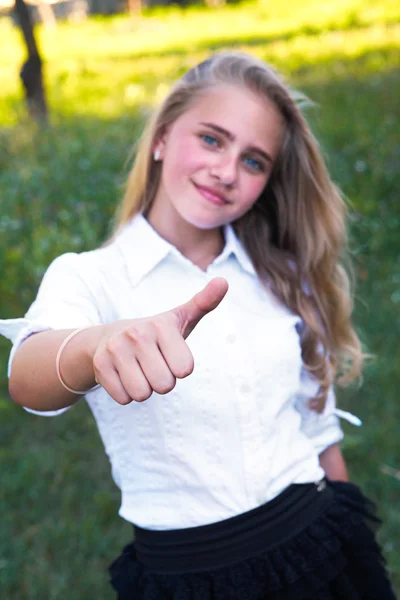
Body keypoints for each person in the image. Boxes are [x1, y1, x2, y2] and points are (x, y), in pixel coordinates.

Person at [0, 52, 395, 599]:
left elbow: (317, 429)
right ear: (161, 138)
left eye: (254, 161)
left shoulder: (280, 275)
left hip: (318, 539)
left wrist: (354, 551)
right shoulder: (91, 278)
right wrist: (96, 347)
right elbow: (28, 378)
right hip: (188, 577)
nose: (227, 171)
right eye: (211, 139)